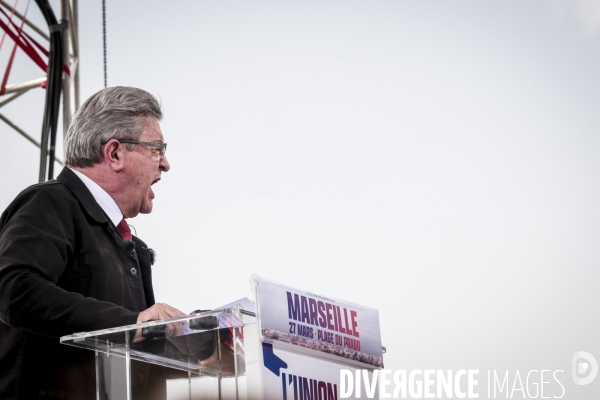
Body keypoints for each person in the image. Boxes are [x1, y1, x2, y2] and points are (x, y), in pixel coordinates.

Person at [0, 86, 185, 399]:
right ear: (114, 154)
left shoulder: (132, 248)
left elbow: (137, 344)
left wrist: (199, 340)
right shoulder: (50, 202)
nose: (165, 164)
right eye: (158, 150)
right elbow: (15, 289)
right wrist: (132, 323)